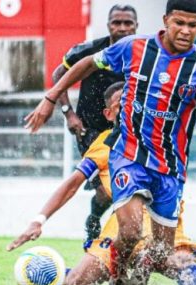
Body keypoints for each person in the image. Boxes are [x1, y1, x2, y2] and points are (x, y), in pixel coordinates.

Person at [24, 0, 196, 282]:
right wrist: (51, 99)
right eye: (179, 23)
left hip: (169, 169)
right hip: (129, 157)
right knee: (129, 231)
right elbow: (86, 63)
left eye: (193, 25)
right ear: (165, 20)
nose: (185, 30)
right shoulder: (133, 49)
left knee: (162, 253)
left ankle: (130, 276)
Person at [8, 83, 196, 285]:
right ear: (109, 114)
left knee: (183, 264)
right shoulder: (105, 144)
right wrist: (38, 220)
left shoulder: (162, 137)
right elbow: (73, 183)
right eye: (120, 104)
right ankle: (54, 274)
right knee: (77, 281)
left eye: (133, 102)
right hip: (122, 226)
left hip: (163, 222)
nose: (128, 108)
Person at [52, 4, 138, 242]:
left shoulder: (143, 55)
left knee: (120, 190)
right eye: (117, 23)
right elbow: (58, 74)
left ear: (136, 26)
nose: (122, 28)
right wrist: (69, 113)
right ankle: (97, 226)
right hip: (90, 132)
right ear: (109, 25)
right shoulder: (89, 51)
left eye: (127, 23)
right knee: (107, 189)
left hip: (129, 134)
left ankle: (106, 231)